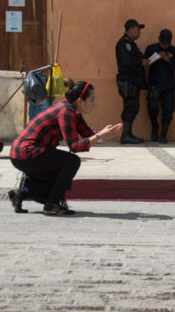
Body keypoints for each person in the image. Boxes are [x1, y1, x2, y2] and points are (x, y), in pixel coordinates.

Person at [8, 81, 122, 215]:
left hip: (25, 154)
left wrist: (106, 134)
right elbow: (74, 146)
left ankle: (20, 194)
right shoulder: (66, 112)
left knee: (63, 182)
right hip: (26, 153)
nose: (94, 104)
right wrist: (99, 137)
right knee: (72, 162)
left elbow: (88, 134)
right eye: (92, 100)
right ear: (80, 100)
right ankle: (51, 205)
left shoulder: (74, 112)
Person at [143, 29, 175, 143]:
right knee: (152, 107)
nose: (165, 46)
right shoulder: (151, 48)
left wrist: (168, 60)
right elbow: (144, 62)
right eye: (163, 43)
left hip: (168, 86)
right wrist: (155, 58)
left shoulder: (174, 51)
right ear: (158, 39)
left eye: (167, 43)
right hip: (154, 85)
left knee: (169, 110)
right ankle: (154, 128)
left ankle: (163, 134)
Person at [116, 19, 146, 144]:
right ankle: (125, 135)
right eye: (138, 29)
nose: (139, 32)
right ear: (131, 29)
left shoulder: (131, 43)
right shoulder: (125, 44)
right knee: (130, 106)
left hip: (133, 81)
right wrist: (141, 62)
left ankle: (128, 134)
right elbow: (127, 62)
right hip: (128, 80)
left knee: (133, 107)